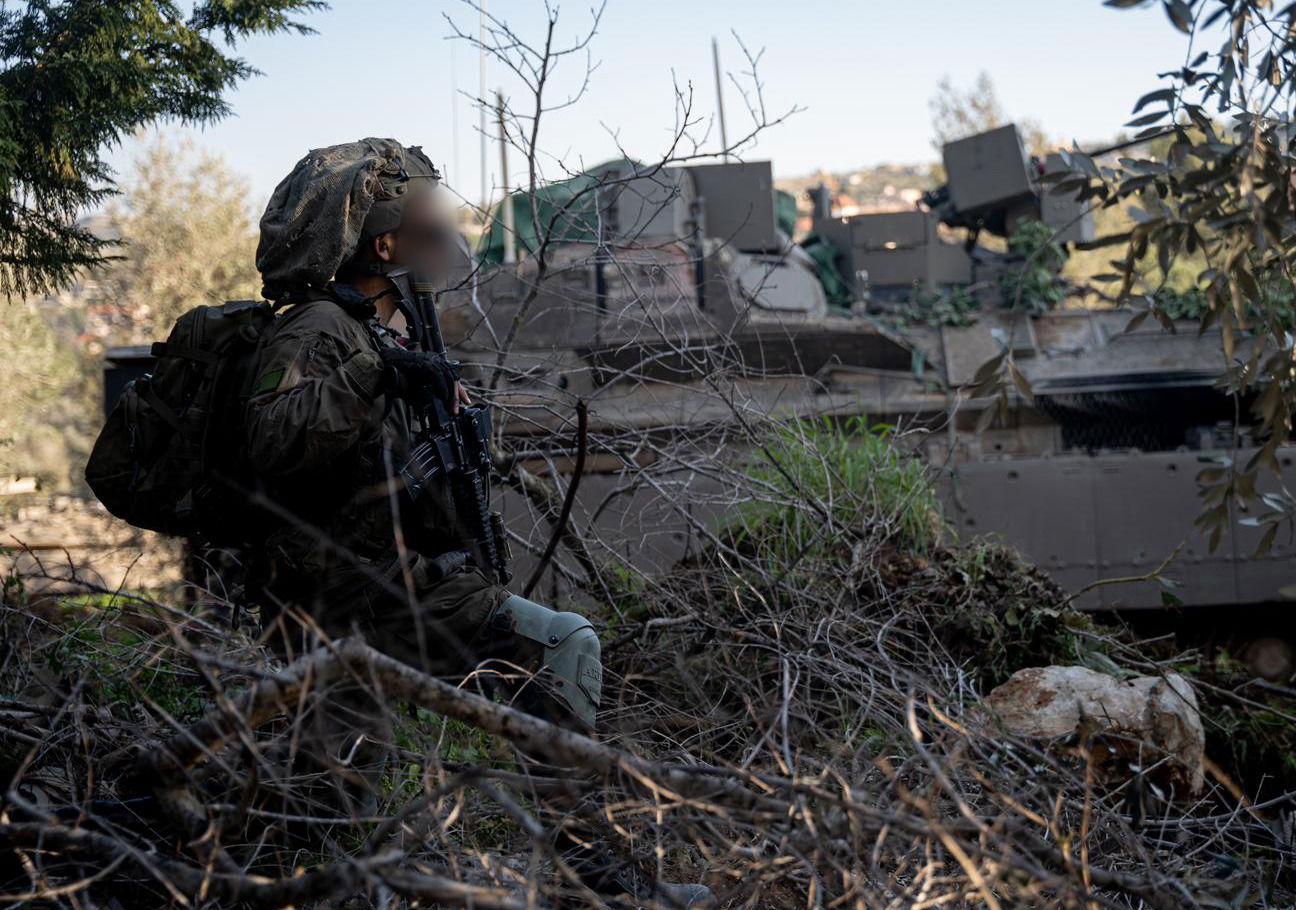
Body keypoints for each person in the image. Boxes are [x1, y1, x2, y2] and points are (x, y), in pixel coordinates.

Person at [245, 138, 713, 907]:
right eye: (428, 219)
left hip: (408, 586)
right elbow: (274, 438)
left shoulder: (394, 324)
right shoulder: (321, 329)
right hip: (344, 599)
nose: (445, 231)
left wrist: (448, 416)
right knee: (339, 800)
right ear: (385, 241)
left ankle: (585, 875)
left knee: (561, 648)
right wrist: (375, 373)